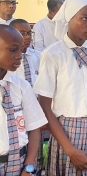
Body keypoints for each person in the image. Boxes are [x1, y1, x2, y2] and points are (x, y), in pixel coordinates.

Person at [34, 0, 87, 175]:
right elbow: (45, 106)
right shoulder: (53, 54)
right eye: (85, 18)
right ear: (68, 18)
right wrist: (69, 149)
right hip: (67, 133)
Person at [0, 25, 47, 175]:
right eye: (13, 50)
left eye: (21, 49)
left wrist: (28, 167)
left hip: (19, 163)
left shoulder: (21, 86)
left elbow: (34, 128)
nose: (20, 55)